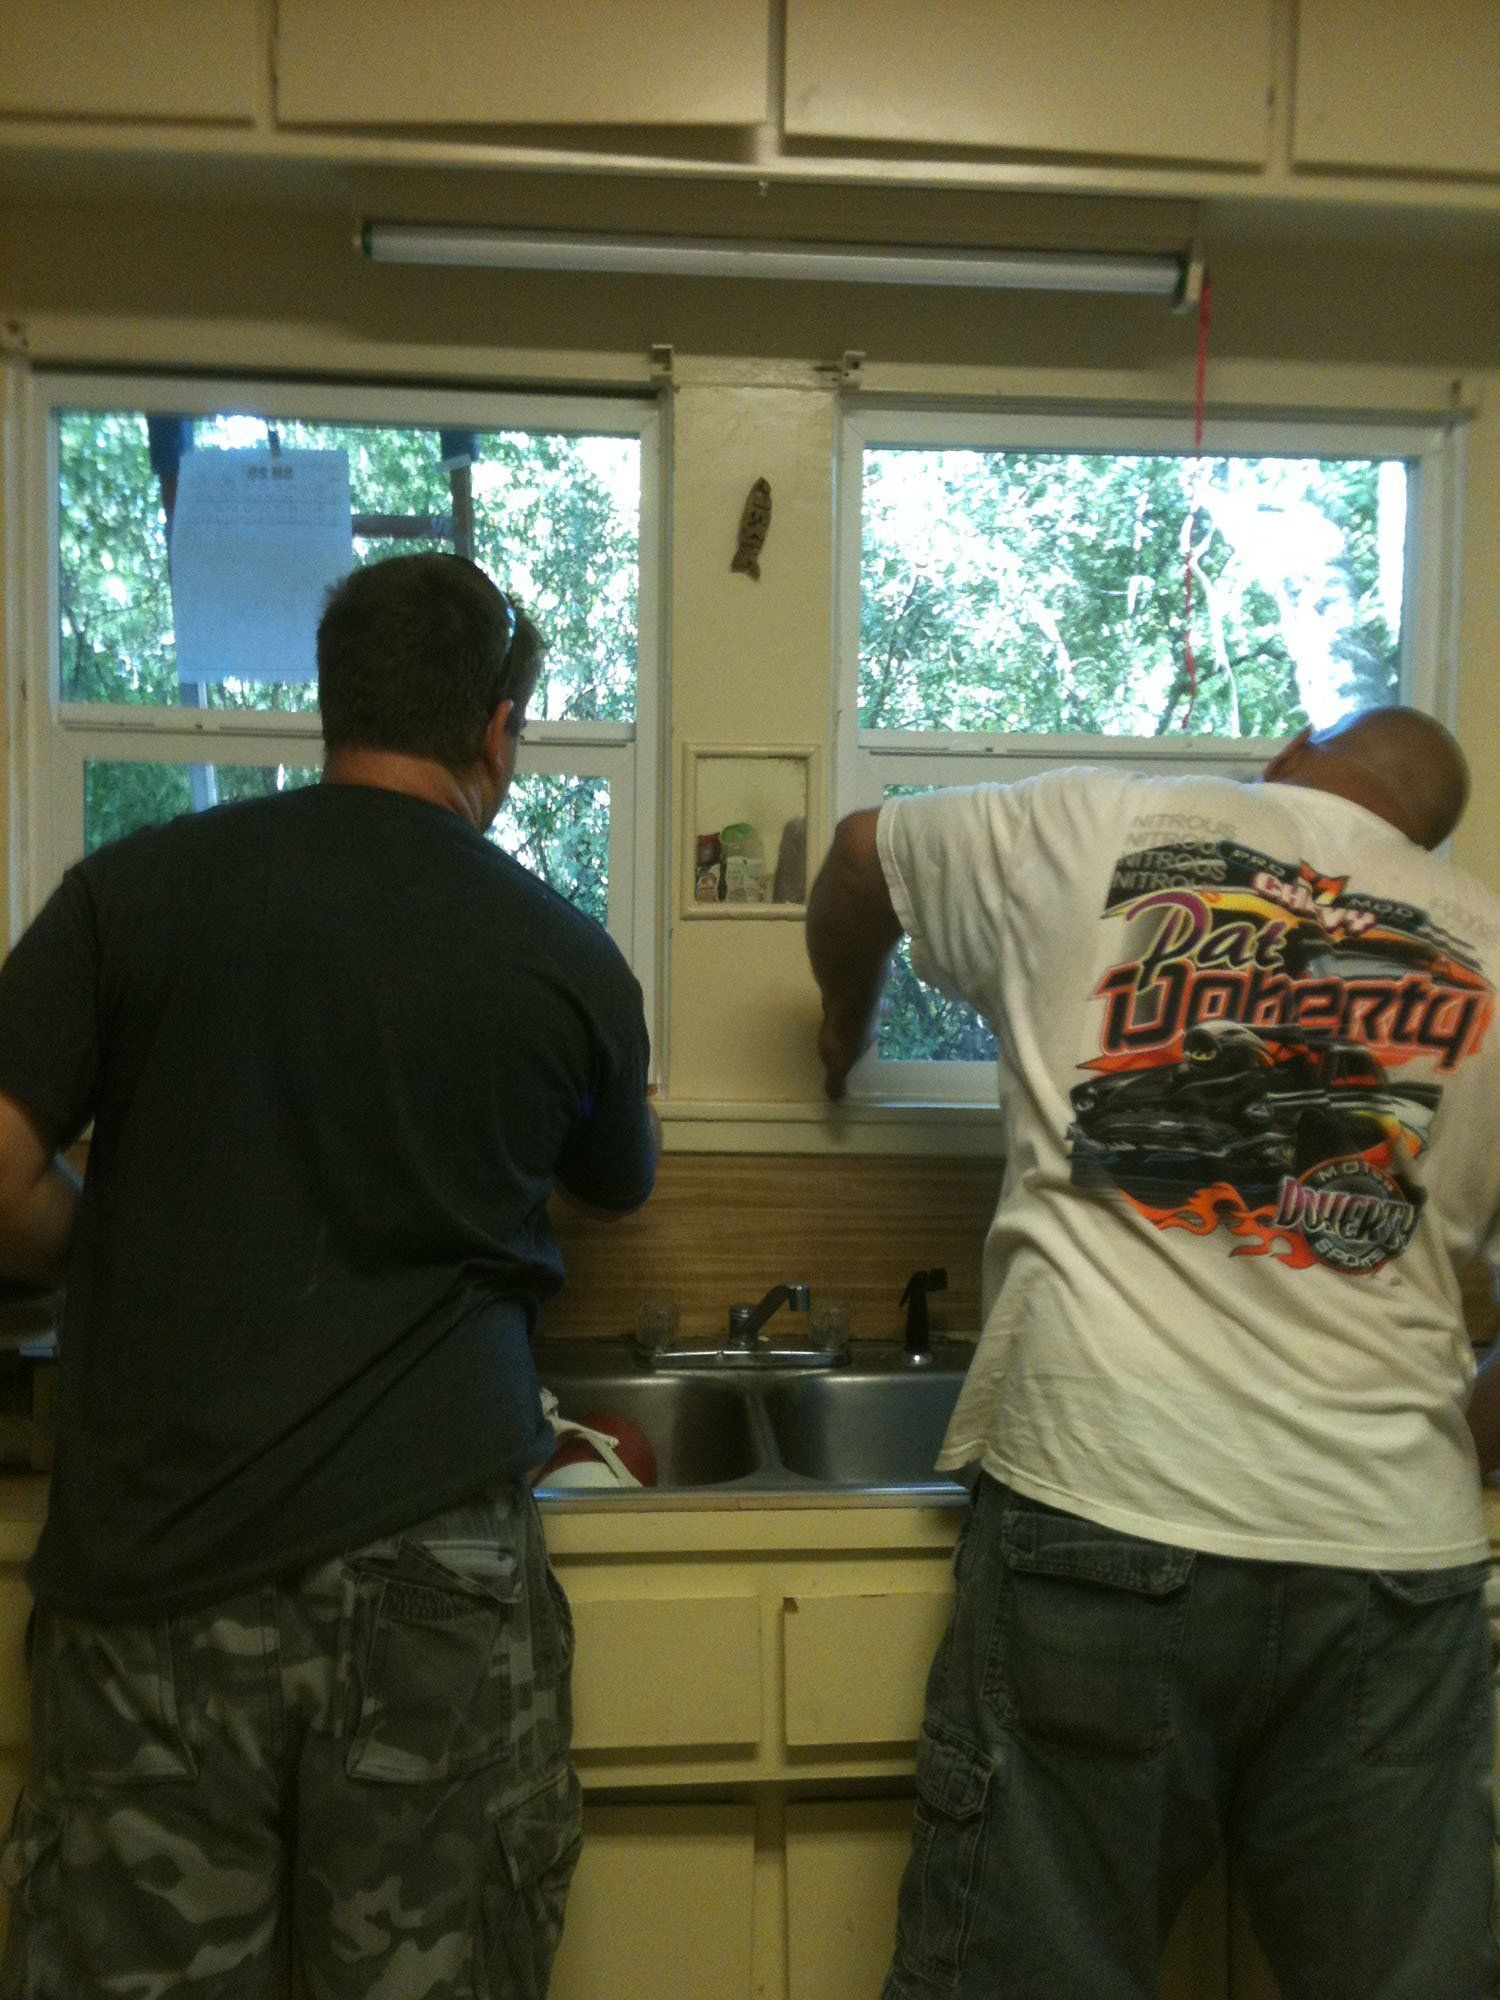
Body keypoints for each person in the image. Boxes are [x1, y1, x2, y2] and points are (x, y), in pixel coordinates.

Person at [0, 552, 657, 1999]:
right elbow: (618, 1185)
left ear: (328, 705)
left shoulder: (132, 892)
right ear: (497, 731)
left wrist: (119, 1226)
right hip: (435, 1570)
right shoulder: (565, 956)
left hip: (154, 1567)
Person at [806, 708, 1500, 2000]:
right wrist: (1454, 1433)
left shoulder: (1105, 823)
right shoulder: (1485, 944)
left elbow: (858, 862)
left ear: (1293, 753)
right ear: (1424, 832)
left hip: (1104, 1510)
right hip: (1392, 1564)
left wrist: (846, 1015)